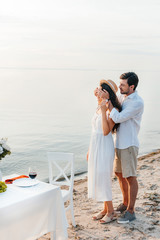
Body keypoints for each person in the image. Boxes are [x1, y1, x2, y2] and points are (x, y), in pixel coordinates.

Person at [102, 72, 144, 223]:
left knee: (130, 177)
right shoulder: (122, 97)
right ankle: (125, 203)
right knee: (119, 174)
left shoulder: (137, 102)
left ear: (131, 87)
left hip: (129, 144)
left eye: (122, 85)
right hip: (118, 142)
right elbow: (114, 106)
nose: (119, 87)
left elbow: (118, 117)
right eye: (120, 84)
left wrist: (109, 104)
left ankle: (131, 211)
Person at [87, 79, 122, 224]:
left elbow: (106, 131)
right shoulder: (99, 106)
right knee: (98, 177)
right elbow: (94, 130)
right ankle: (105, 209)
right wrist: (89, 150)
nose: (98, 91)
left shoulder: (113, 110)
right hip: (95, 145)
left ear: (108, 93)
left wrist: (103, 109)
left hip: (105, 146)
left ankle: (111, 211)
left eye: (101, 89)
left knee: (103, 177)